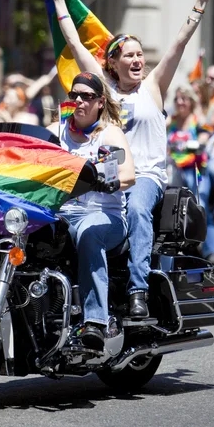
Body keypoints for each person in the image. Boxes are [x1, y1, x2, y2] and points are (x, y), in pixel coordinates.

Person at [50, 0, 214, 317]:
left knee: (139, 208)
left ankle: (138, 290)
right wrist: (57, 0)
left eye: (140, 54)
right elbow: (75, 45)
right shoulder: (103, 93)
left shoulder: (153, 86)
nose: (138, 60)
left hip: (144, 176)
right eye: (129, 55)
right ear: (112, 63)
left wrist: (201, 2)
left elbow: (179, 45)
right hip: (104, 178)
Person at [48, 72, 135, 350]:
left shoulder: (109, 133)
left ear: (99, 102)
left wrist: (106, 182)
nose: (79, 101)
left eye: (86, 96)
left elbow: (129, 174)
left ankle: (95, 321)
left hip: (104, 215)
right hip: (61, 213)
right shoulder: (55, 132)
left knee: (88, 232)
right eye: (74, 95)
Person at [167, 85, 214, 263]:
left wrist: (199, 142)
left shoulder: (197, 120)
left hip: (196, 170)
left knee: (200, 204)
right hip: (174, 171)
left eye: (184, 99)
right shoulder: (171, 121)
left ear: (191, 101)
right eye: (177, 99)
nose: (180, 102)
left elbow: (206, 135)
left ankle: (212, 249)